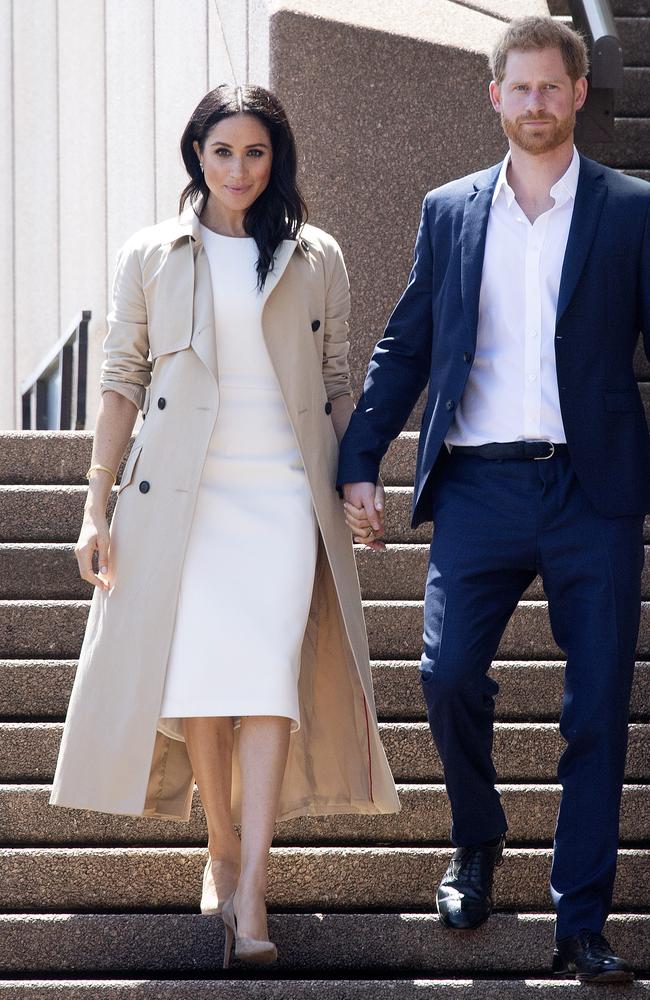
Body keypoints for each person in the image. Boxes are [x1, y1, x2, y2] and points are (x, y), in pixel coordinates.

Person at [50, 83, 399, 969]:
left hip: (283, 493)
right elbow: (121, 378)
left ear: (275, 158)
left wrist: (357, 477)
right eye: (222, 152)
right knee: (203, 679)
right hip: (182, 497)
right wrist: (97, 503)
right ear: (195, 156)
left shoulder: (314, 252)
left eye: (255, 152)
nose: (239, 169)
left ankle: (253, 892)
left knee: (267, 680)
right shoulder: (152, 254)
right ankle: (222, 847)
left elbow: (336, 378)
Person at [338, 16, 649, 985]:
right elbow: (404, 345)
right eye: (518, 89)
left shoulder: (629, 210)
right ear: (493, 97)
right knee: (445, 673)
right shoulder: (449, 210)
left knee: (596, 706)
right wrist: (359, 459)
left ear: (578, 89)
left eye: (550, 88)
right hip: (476, 482)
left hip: (589, 489)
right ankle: (477, 837)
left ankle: (581, 918)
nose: (535, 105)